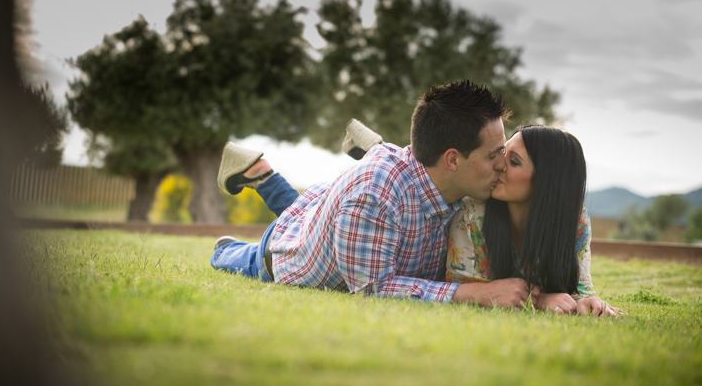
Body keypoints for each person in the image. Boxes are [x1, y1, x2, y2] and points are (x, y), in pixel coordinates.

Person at [211, 80, 538, 309]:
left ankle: (373, 149)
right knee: (234, 255)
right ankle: (254, 187)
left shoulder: (461, 184)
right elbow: (372, 288)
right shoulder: (374, 195)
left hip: (335, 209)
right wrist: (474, 295)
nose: (502, 165)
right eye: (494, 155)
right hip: (285, 252)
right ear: (452, 159)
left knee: (352, 193)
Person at [445, 125, 622, 316]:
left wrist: (589, 302)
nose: (499, 165)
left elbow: (578, 290)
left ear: (546, 181)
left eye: (514, 161)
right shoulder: (472, 210)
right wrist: (538, 300)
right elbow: (464, 289)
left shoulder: (575, 220)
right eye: (503, 152)